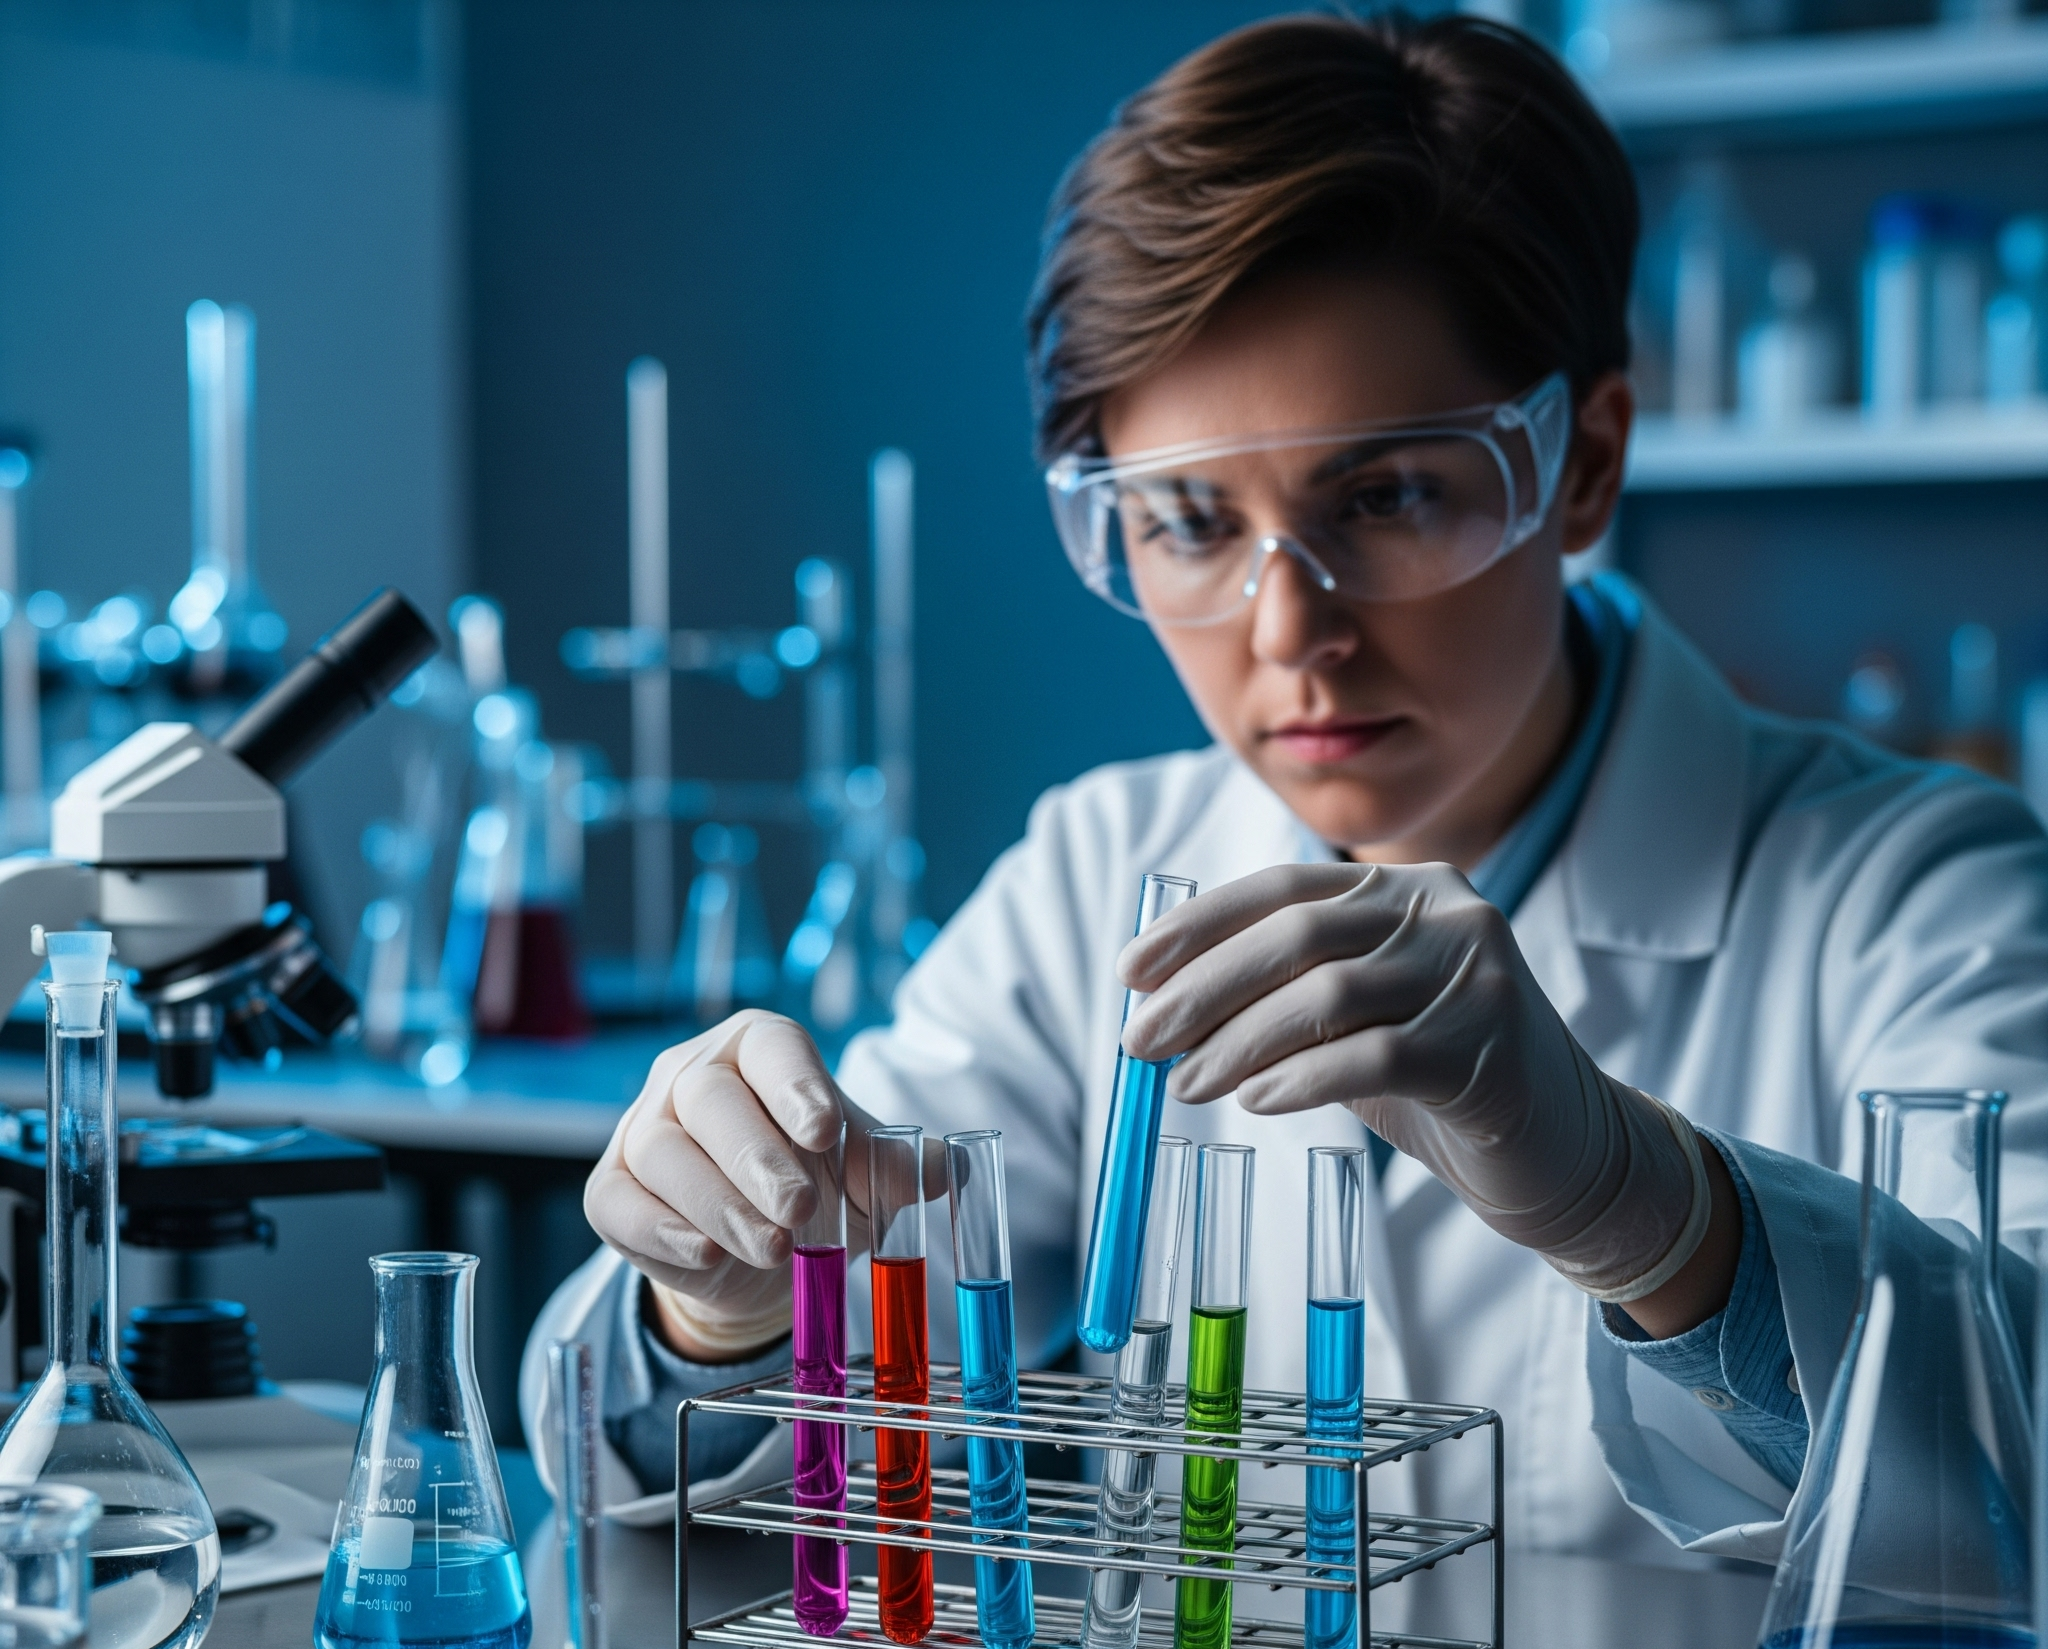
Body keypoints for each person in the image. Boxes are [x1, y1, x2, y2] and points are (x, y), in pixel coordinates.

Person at [523, 12, 2048, 1562]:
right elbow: (710, 1451)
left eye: (1387, 496)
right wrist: (722, 1305)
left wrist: (1653, 1214)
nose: (1290, 629)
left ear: (1583, 464)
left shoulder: (1924, 892)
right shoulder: (1095, 875)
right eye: (1188, 522)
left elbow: (2028, 1456)